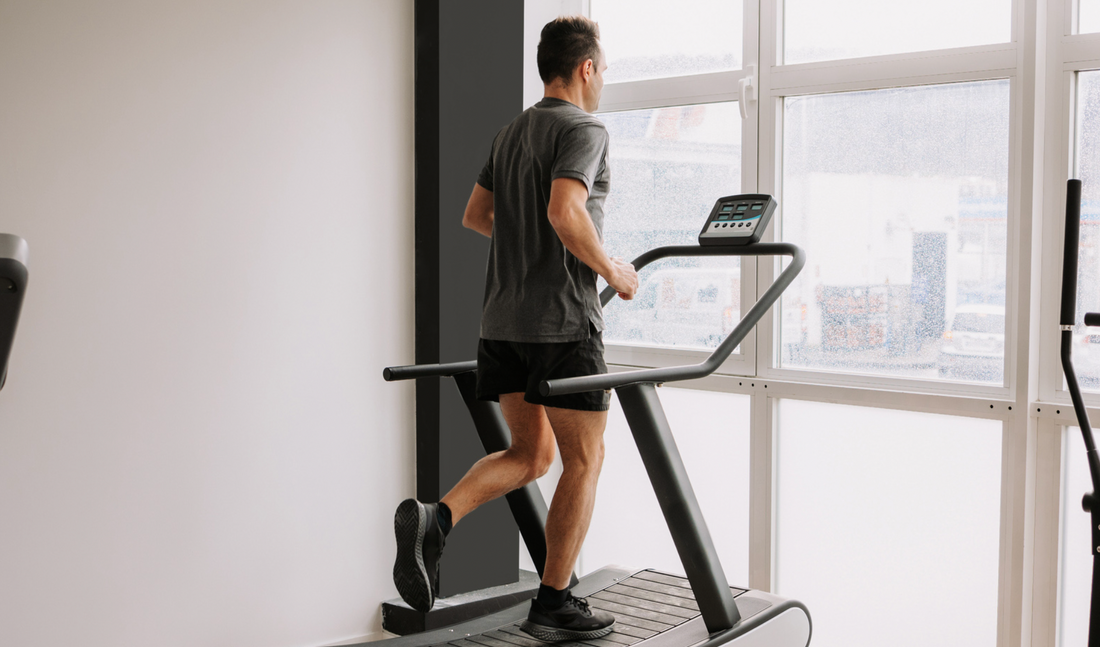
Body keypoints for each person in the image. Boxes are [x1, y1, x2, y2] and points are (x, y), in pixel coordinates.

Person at [392, 15, 638, 643]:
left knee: (530, 455)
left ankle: (437, 518)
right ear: (585, 67)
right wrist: (613, 267)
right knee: (584, 460)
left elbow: (477, 216)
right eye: (603, 68)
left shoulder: (512, 131)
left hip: (502, 322)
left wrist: (528, 237)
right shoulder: (585, 128)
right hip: (563, 327)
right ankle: (554, 600)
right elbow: (565, 209)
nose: (604, 79)